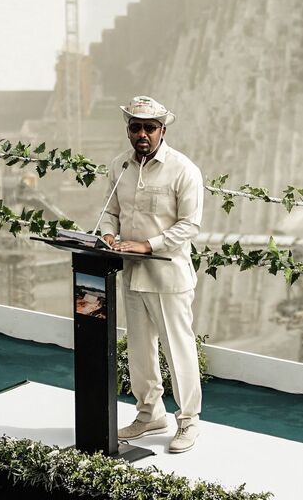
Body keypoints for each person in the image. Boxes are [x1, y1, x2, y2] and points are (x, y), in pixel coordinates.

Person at [98, 95, 204, 453]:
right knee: (140, 350)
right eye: (135, 127)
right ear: (128, 129)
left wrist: (148, 244)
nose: (142, 134)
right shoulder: (120, 166)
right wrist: (109, 234)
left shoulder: (183, 170)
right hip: (131, 274)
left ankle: (188, 421)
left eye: (149, 128)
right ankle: (150, 413)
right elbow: (111, 211)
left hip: (169, 277)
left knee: (179, 350)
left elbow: (190, 225)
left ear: (162, 130)